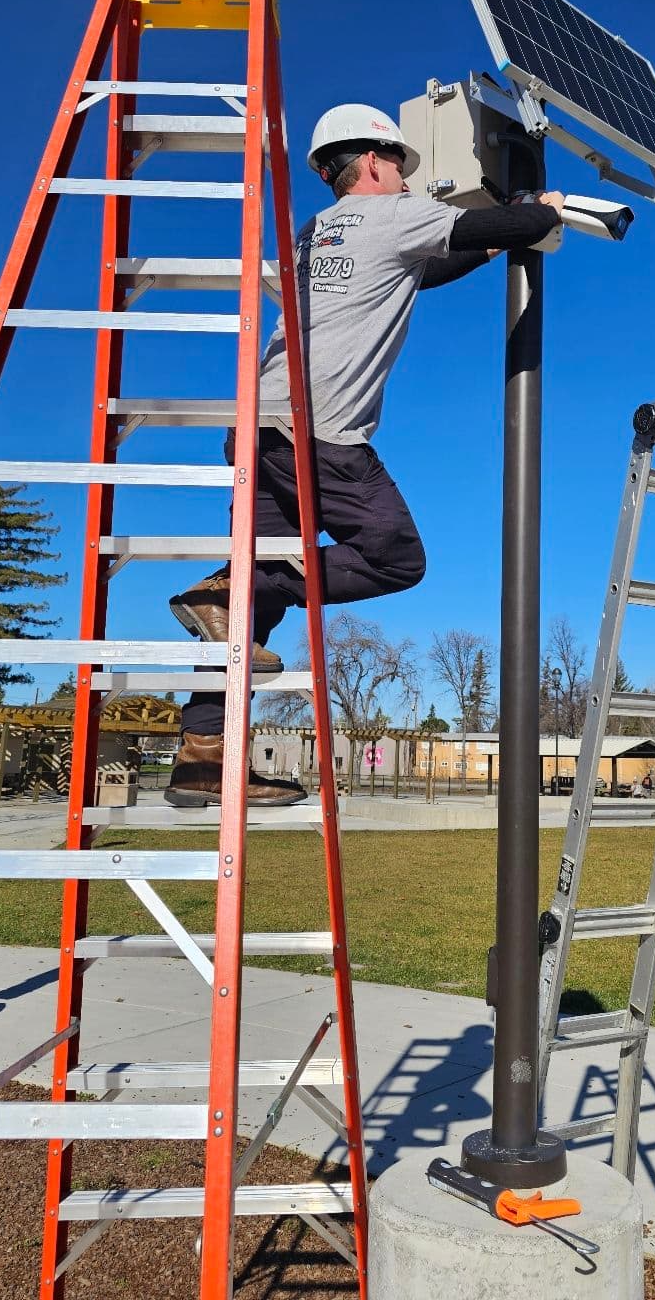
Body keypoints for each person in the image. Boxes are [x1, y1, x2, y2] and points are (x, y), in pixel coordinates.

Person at [164, 103, 565, 809]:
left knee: (248, 603)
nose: (409, 180)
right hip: (316, 431)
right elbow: (506, 226)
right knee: (395, 558)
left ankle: (201, 759)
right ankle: (230, 590)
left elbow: (423, 271)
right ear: (376, 161)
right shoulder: (393, 215)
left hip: (254, 425)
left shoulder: (316, 232)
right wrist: (542, 212)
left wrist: (491, 243)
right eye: (402, 167)